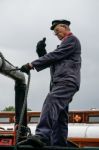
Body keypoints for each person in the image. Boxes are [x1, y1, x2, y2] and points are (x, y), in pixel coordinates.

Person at [19, 19, 81, 147]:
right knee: (60, 115)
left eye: (57, 30)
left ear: (65, 27)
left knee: (51, 101)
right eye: (54, 33)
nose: (56, 34)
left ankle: (42, 135)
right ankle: (59, 144)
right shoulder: (65, 45)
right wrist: (41, 52)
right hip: (64, 82)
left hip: (66, 81)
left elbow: (55, 55)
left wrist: (31, 64)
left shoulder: (72, 40)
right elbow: (54, 60)